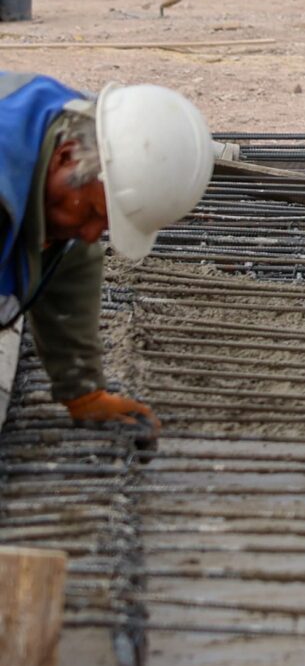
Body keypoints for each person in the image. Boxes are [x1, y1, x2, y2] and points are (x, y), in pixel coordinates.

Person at [1, 76, 214, 442]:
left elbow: (72, 265)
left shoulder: (68, 126)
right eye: (94, 214)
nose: (90, 234)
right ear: (66, 156)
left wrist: (83, 390)